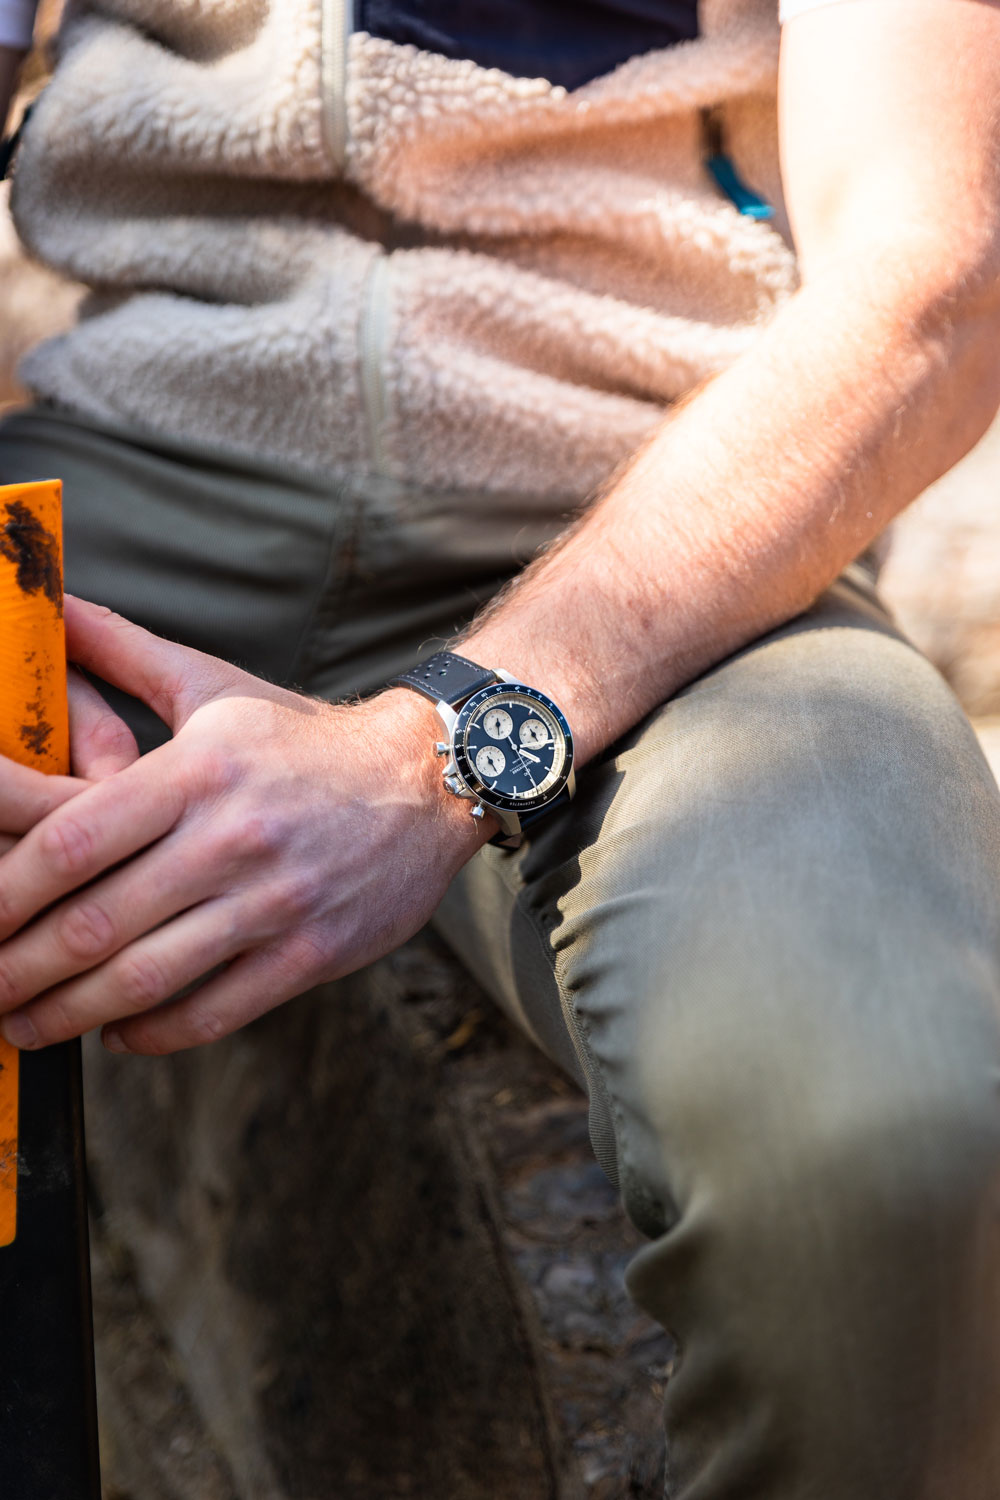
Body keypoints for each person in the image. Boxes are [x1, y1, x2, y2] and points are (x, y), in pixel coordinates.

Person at [2, 0, 1000, 1493]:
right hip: (127, 474)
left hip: (679, 532)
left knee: (877, 1153)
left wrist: (437, 751)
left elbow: (936, 279)